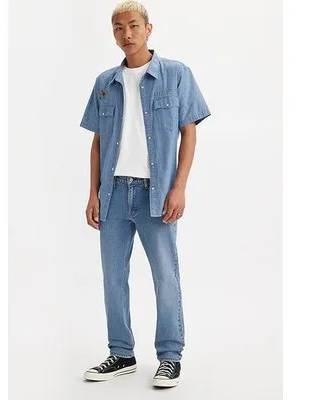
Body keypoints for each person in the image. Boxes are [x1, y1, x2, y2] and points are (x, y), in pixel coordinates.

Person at [79, 0, 211, 388]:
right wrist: (93, 193)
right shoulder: (105, 82)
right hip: (114, 194)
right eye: (118, 28)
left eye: (134, 26)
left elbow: (189, 132)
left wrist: (179, 187)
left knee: (165, 277)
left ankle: (170, 357)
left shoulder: (176, 74)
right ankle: (121, 353)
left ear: (148, 29)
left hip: (157, 195)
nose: (127, 34)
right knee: (113, 278)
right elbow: (98, 142)